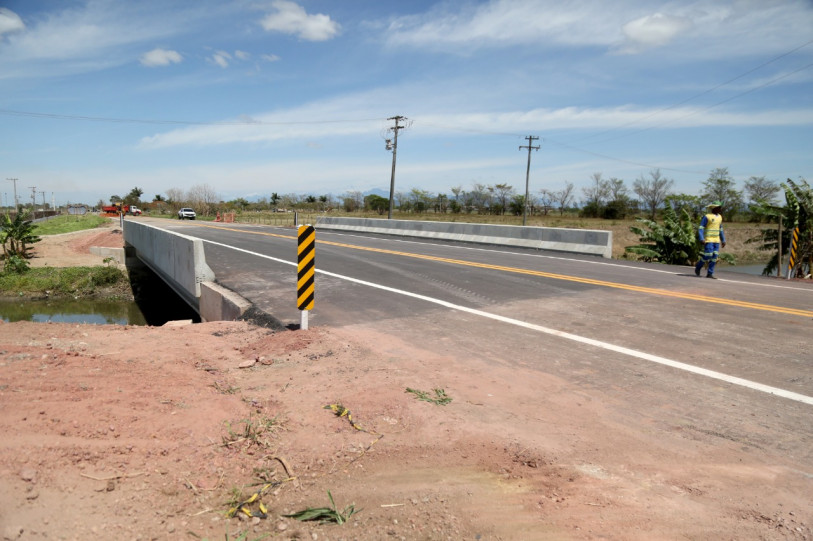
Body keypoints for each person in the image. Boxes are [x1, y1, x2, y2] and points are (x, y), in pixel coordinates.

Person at [694, 201, 726, 279]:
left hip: (716, 240)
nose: (720, 209)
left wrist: (723, 240)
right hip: (708, 239)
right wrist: (701, 238)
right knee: (708, 255)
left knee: (714, 256)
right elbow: (701, 228)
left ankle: (710, 273)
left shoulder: (720, 217)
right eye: (719, 207)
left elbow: (720, 229)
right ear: (714, 208)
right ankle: (698, 266)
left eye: (720, 208)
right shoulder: (707, 216)